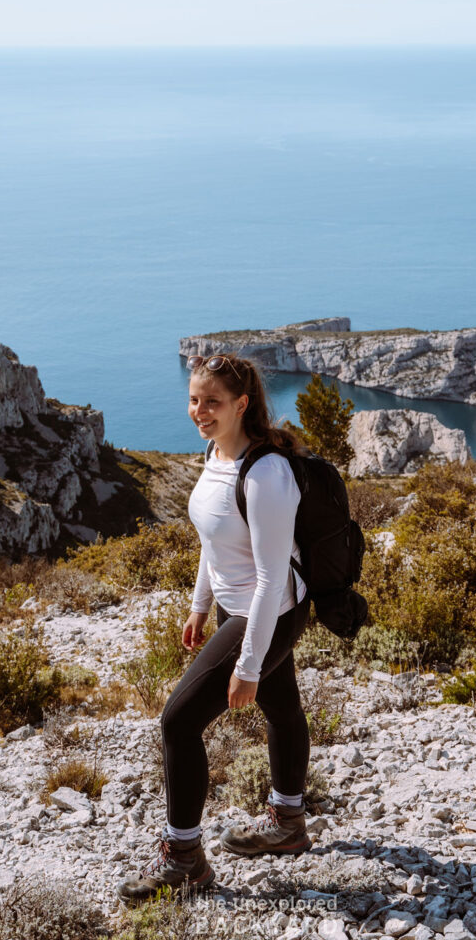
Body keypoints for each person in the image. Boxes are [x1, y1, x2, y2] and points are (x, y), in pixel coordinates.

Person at [118, 352, 313, 904]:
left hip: (270, 609)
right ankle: (289, 824)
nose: (199, 411)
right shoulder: (215, 453)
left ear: (242, 404)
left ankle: (184, 860)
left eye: (213, 402)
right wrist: (200, 606)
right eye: (194, 400)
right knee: (282, 707)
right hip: (237, 607)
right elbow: (213, 541)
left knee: (178, 722)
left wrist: (248, 664)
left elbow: (273, 576)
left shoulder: (267, 472)